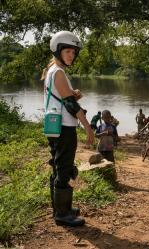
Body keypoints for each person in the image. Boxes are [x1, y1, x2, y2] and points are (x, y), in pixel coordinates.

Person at [42, 31, 94, 227]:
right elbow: (71, 105)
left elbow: (63, 98)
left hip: (55, 126)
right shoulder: (59, 72)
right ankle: (62, 214)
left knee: (59, 166)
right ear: (58, 50)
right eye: (68, 51)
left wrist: (73, 96)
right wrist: (88, 128)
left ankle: (61, 209)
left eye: (74, 52)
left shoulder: (52, 71)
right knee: (64, 168)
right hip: (64, 128)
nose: (72, 55)